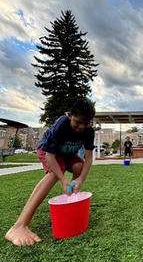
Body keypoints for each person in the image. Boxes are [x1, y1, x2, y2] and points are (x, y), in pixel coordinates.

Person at [5, 97, 96, 247]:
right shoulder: (62, 124)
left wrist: (80, 180)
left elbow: (88, 157)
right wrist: (62, 179)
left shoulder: (88, 132)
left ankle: (71, 202)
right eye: (77, 122)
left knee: (79, 168)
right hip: (48, 151)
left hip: (67, 154)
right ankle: (19, 226)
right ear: (69, 115)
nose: (81, 127)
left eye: (85, 123)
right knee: (55, 171)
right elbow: (50, 156)